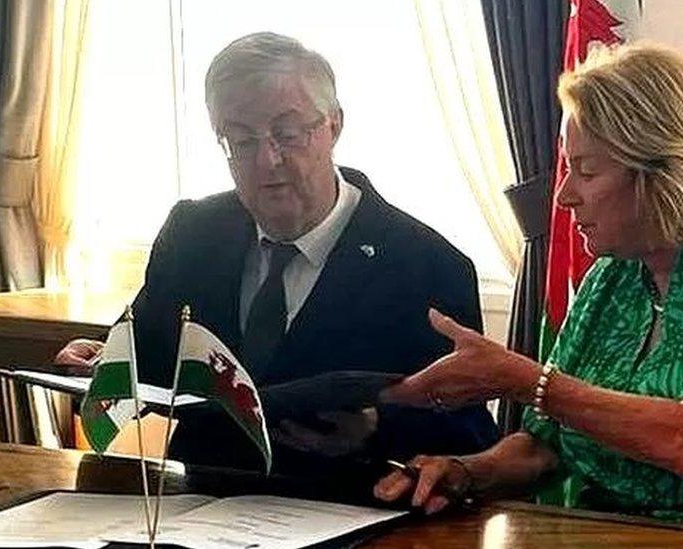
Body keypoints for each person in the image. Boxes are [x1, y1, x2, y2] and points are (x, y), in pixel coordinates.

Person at [374, 42, 683, 543]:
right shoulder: (612, 278)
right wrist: (462, 472)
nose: (566, 195)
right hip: (618, 532)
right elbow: (544, 448)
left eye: (587, 171)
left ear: (666, 169)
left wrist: (525, 380)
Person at [56, 31, 498, 496]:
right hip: (204, 507)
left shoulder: (427, 264)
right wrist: (103, 359)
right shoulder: (193, 232)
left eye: (287, 135)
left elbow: (467, 430)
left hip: (357, 512)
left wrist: (376, 428)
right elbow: (149, 347)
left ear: (334, 125)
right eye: (242, 142)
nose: (268, 160)